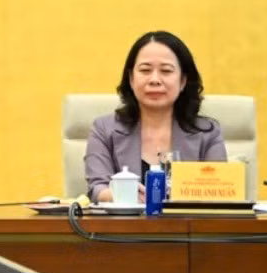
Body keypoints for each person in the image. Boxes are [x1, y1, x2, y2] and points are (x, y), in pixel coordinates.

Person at [85, 30, 226, 202]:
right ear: (131, 79)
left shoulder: (207, 133)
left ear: (183, 81)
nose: (154, 79)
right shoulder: (104, 129)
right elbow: (97, 188)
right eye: (145, 70)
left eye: (166, 71)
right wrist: (125, 196)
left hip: (189, 227)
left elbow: (219, 193)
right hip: (122, 227)